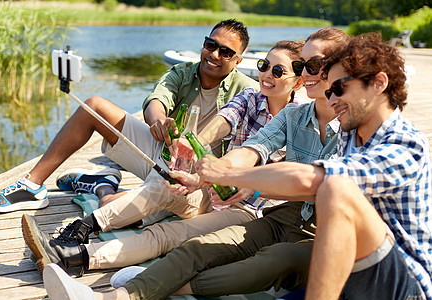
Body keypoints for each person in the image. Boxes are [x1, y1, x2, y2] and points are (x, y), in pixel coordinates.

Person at [43, 33, 431, 300]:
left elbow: (313, 181)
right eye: (323, 78)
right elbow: (253, 149)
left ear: (378, 84)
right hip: (297, 222)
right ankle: (125, 292)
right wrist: (205, 173)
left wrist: (232, 178)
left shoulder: (401, 143)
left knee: (327, 197)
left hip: (399, 280)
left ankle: (161, 280)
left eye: (334, 83)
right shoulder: (321, 122)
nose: (326, 88)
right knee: (197, 246)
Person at [21, 40, 310, 275]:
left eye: (278, 71)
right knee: (165, 182)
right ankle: (80, 229)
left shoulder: (299, 120)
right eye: (264, 66)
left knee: (167, 233)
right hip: (212, 190)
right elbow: (224, 119)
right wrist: (191, 143)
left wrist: (252, 187)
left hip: (248, 211)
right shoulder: (250, 96)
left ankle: (75, 258)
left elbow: (293, 183)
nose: (267, 75)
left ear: (298, 82)